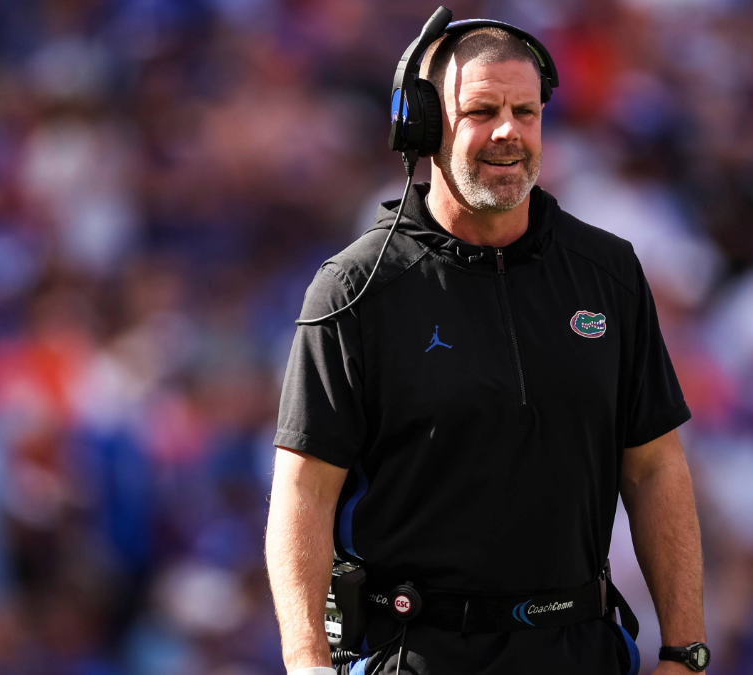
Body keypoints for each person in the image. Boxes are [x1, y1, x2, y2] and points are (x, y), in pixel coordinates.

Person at [266, 15, 708, 675]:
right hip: (417, 653)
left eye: (525, 111)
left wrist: (685, 650)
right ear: (423, 125)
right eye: (481, 110)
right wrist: (307, 662)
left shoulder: (609, 273)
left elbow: (654, 467)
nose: (508, 131)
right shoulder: (353, 289)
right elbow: (303, 492)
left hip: (578, 651)